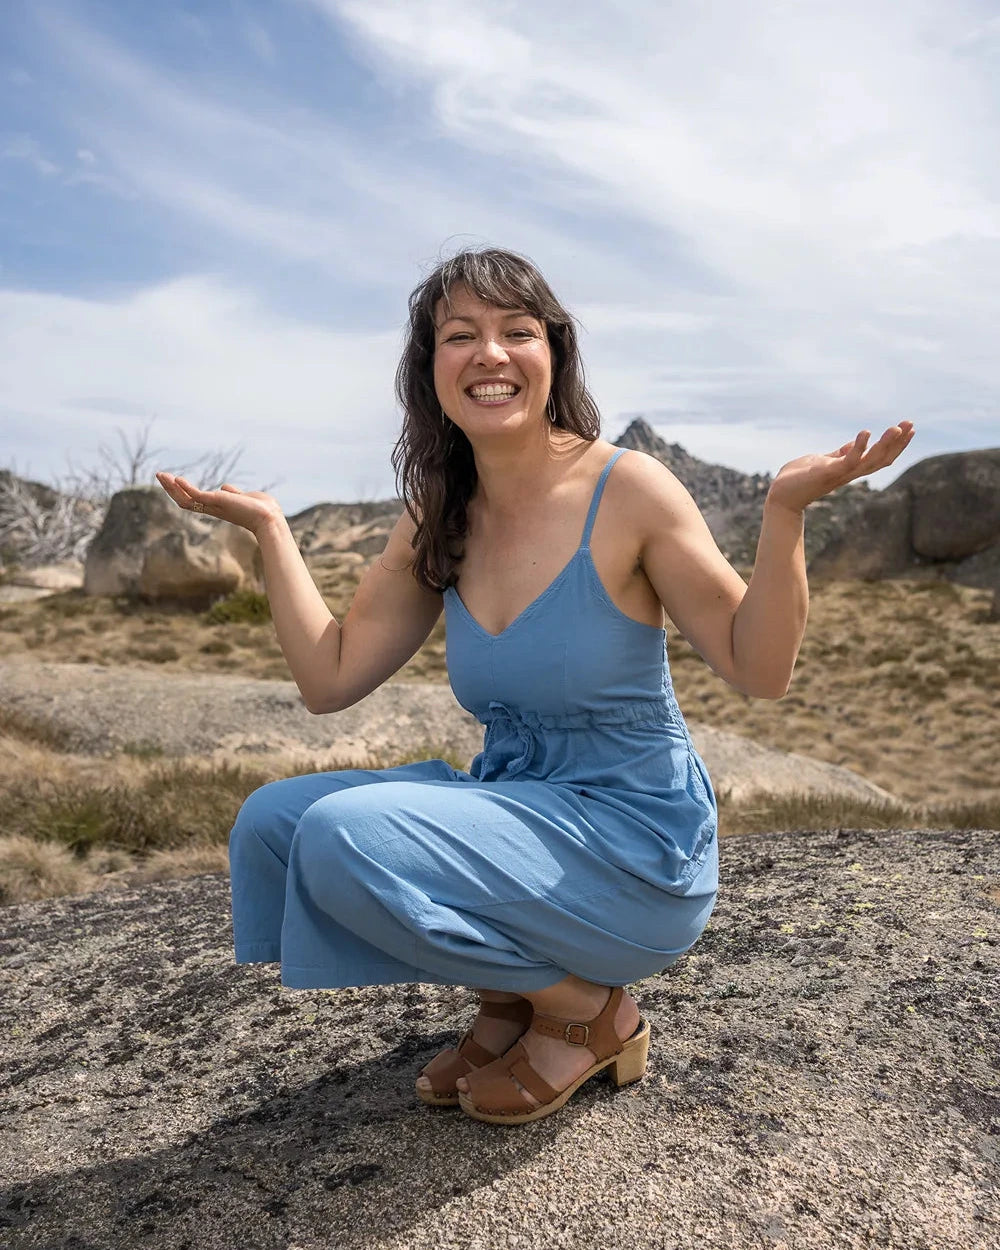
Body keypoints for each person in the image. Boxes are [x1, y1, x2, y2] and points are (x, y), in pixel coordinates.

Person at [156, 247, 914, 1126]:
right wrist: (269, 530)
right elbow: (330, 678)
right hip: (518, 815)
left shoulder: (628, 488)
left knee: (339, 837)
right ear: (428, 366)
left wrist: (783, 516)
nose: (491, 354)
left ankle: (585, 1011)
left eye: (517, 332)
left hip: (633, 839)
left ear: (552, 355)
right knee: (273, 825)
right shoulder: (437, 513)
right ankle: (509, 996)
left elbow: (760, 669)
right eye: (460, 336)